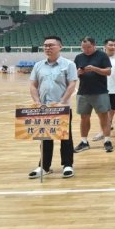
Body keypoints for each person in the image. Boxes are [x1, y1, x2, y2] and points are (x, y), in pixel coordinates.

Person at [27, 36, 78, 179]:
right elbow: (33, 85)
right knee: (45, 137)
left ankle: (67, 165)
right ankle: (44, 166)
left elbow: (72, 84)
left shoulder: (69, 64)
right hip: (44, 108)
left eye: (51, 45)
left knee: (65, 137)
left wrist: (62, 102)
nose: (47, 48)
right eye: (45, 45)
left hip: (62, 107)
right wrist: (37, 101)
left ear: (60, 47)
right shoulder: (38, 65)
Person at [73, 37, 112, 153]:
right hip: (83, 92)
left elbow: (108, 72)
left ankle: (107, 140)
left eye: (88, 47)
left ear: (94, 45)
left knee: (104, 117)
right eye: (83, 47)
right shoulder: (78, 57)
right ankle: (84, 142)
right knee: (84, 118)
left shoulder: (102, 55)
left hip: (100, 92)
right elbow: (74, 74)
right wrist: (78, 73)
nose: (86, 49)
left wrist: (95, 69)